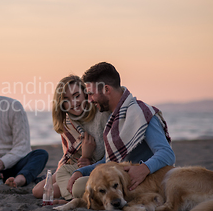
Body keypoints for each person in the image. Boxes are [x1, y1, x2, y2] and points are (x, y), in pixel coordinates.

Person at [66, 62, 175, 199]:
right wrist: (80, 171)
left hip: (147, 181)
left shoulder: (140, 114)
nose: (89, 100)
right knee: (79, 181)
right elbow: (110, 161)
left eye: (91, 94)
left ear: (106, 89)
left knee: (80, 187)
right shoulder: (114, 119)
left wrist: (143, 169)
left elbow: (167, 154)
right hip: (122, 179)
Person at [31, 75, 110, 202]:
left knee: (48, 190)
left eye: (76, 96)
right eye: (66, 99)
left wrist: (87, 157)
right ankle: (70, 191)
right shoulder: (68, 122)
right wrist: (84, 157)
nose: (73, 103)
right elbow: (71, 154)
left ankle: (71, 198)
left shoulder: (98, 114)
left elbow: (106, 151)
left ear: (85, 94)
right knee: (37, 191)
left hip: (94, 165)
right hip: (74, 164)